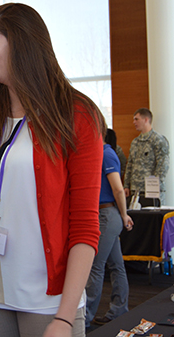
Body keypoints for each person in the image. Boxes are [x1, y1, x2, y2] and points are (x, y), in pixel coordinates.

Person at [0, 3, 105, 337]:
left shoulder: (76, 117)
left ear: (21, 41)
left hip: (47, 299)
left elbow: (85, 226)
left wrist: (63, 317)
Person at [85, 128, 134, 328]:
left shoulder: (107, 154)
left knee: (96, 266)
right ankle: (118, 310)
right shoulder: (99, 153)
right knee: (116, 266)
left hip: (107, 214)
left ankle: (84, 318)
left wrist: (124, 215)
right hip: (104, 214)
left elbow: (117, 188)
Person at [124, 108, 169, 206]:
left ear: (146, 120)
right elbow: (130, 165)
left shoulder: (158, 140)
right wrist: (126, 185)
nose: (134, 122)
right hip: (135, 192)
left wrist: (153, 186)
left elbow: (163, 166)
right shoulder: (135, 142)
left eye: (136, 119)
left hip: (152, 192)